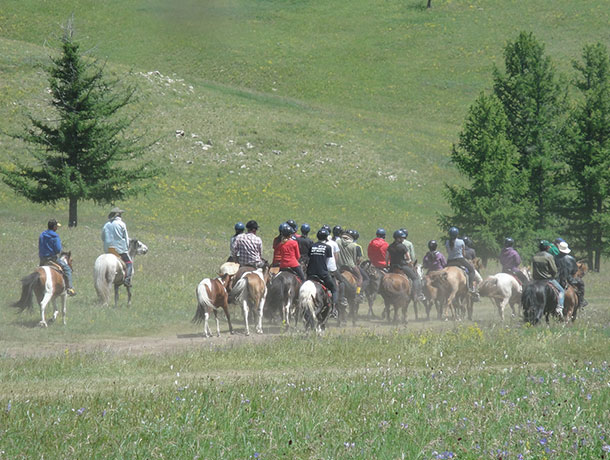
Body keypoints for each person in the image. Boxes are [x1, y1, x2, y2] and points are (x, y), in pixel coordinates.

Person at [39, 219, 75, 296]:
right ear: (54, 227)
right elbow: (58, 249)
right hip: (52, 259)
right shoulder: (55, 236)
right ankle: (70, 288)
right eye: (57, 226)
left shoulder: (42, 235)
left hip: (42, 259)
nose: (57, 228)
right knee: (67, 269)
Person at [307, 228, 338, 316]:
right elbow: (327, 263)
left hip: (310, 273)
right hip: (322, 274)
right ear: (327, 237)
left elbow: (310, 258)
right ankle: (334, 309)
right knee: (334, 289)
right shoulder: (328, 247)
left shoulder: (312, 246)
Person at [386, 230, 424, 300]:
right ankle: (417, 295)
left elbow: (387, 257)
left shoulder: (390, 246)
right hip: (402, 266)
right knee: (415, 278)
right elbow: (408, 257)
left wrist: (386, 265)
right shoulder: (403, 246)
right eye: (401, 238)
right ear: (398, 238)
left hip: (392, 267)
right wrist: (410, 263)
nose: (403, 239)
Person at [102, 207, 133, 287]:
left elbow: (102, 237)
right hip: (119, 249)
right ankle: (127, 280)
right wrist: (126, 248)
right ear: (119, 215)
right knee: (129, 263)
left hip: (108, 249)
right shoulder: (122, 224)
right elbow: (126, 238)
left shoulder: (106, 225)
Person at [532, 240, 564, 317]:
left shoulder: (535, 256)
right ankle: (559, 308)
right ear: (547, 247)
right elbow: (554, 270)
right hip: (547, 279)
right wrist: (554, 275)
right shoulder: (549, 256)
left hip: (536, 280)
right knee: (561, 291)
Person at [445, 226, 479, 297]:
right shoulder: (461, 241)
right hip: (460, 260)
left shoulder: (447, 242)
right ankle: (470, 287)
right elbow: (463, 254)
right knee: (471, 270)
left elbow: (448, 251)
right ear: (457, 234)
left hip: (450, 261)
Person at [555, 240, 587, 310]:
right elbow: (575, 271)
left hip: (557, 279)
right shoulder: (571, 259)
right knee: (581, 284)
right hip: (569, 278)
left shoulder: (555, 258)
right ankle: (581, 301)